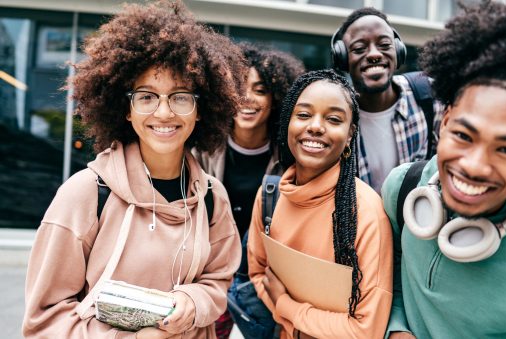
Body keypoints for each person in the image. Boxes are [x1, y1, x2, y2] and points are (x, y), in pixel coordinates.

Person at [22, 1, 244, 338]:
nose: (164, 112)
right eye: (147, 96)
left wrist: (192, 300)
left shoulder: (212, 197)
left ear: (200, 110)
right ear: (127, 109)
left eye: (180, 97)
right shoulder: (86, 193)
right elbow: (44, 320)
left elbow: (217, 281)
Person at [382, 1, 506, 338]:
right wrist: (395, 328)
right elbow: (388, 273)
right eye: (463, 135)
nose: (474, 166)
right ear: (446, 119)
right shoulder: (402, 187)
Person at [248, 69, 393, 338]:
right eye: (303, 115)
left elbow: (366, 330)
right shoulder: (270, 196)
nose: (315, 126)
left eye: (333, 119)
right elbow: (258, 274)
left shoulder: (366, 213)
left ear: (350, 134)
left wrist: (288, 309)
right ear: (287, 123)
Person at [195, 42, 304, 339]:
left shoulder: (291, 157)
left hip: (261, 284)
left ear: (276, 99)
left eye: (260, 89)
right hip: (209, 274)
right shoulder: (201, 149)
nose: (247, 98)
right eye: (239, 87)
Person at [332, 7, 445, 193]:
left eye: (384, 45)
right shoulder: (336, 115)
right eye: (359, 48)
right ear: (342, 59)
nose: (375, 54)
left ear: (398, 51)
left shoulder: (430, 96)